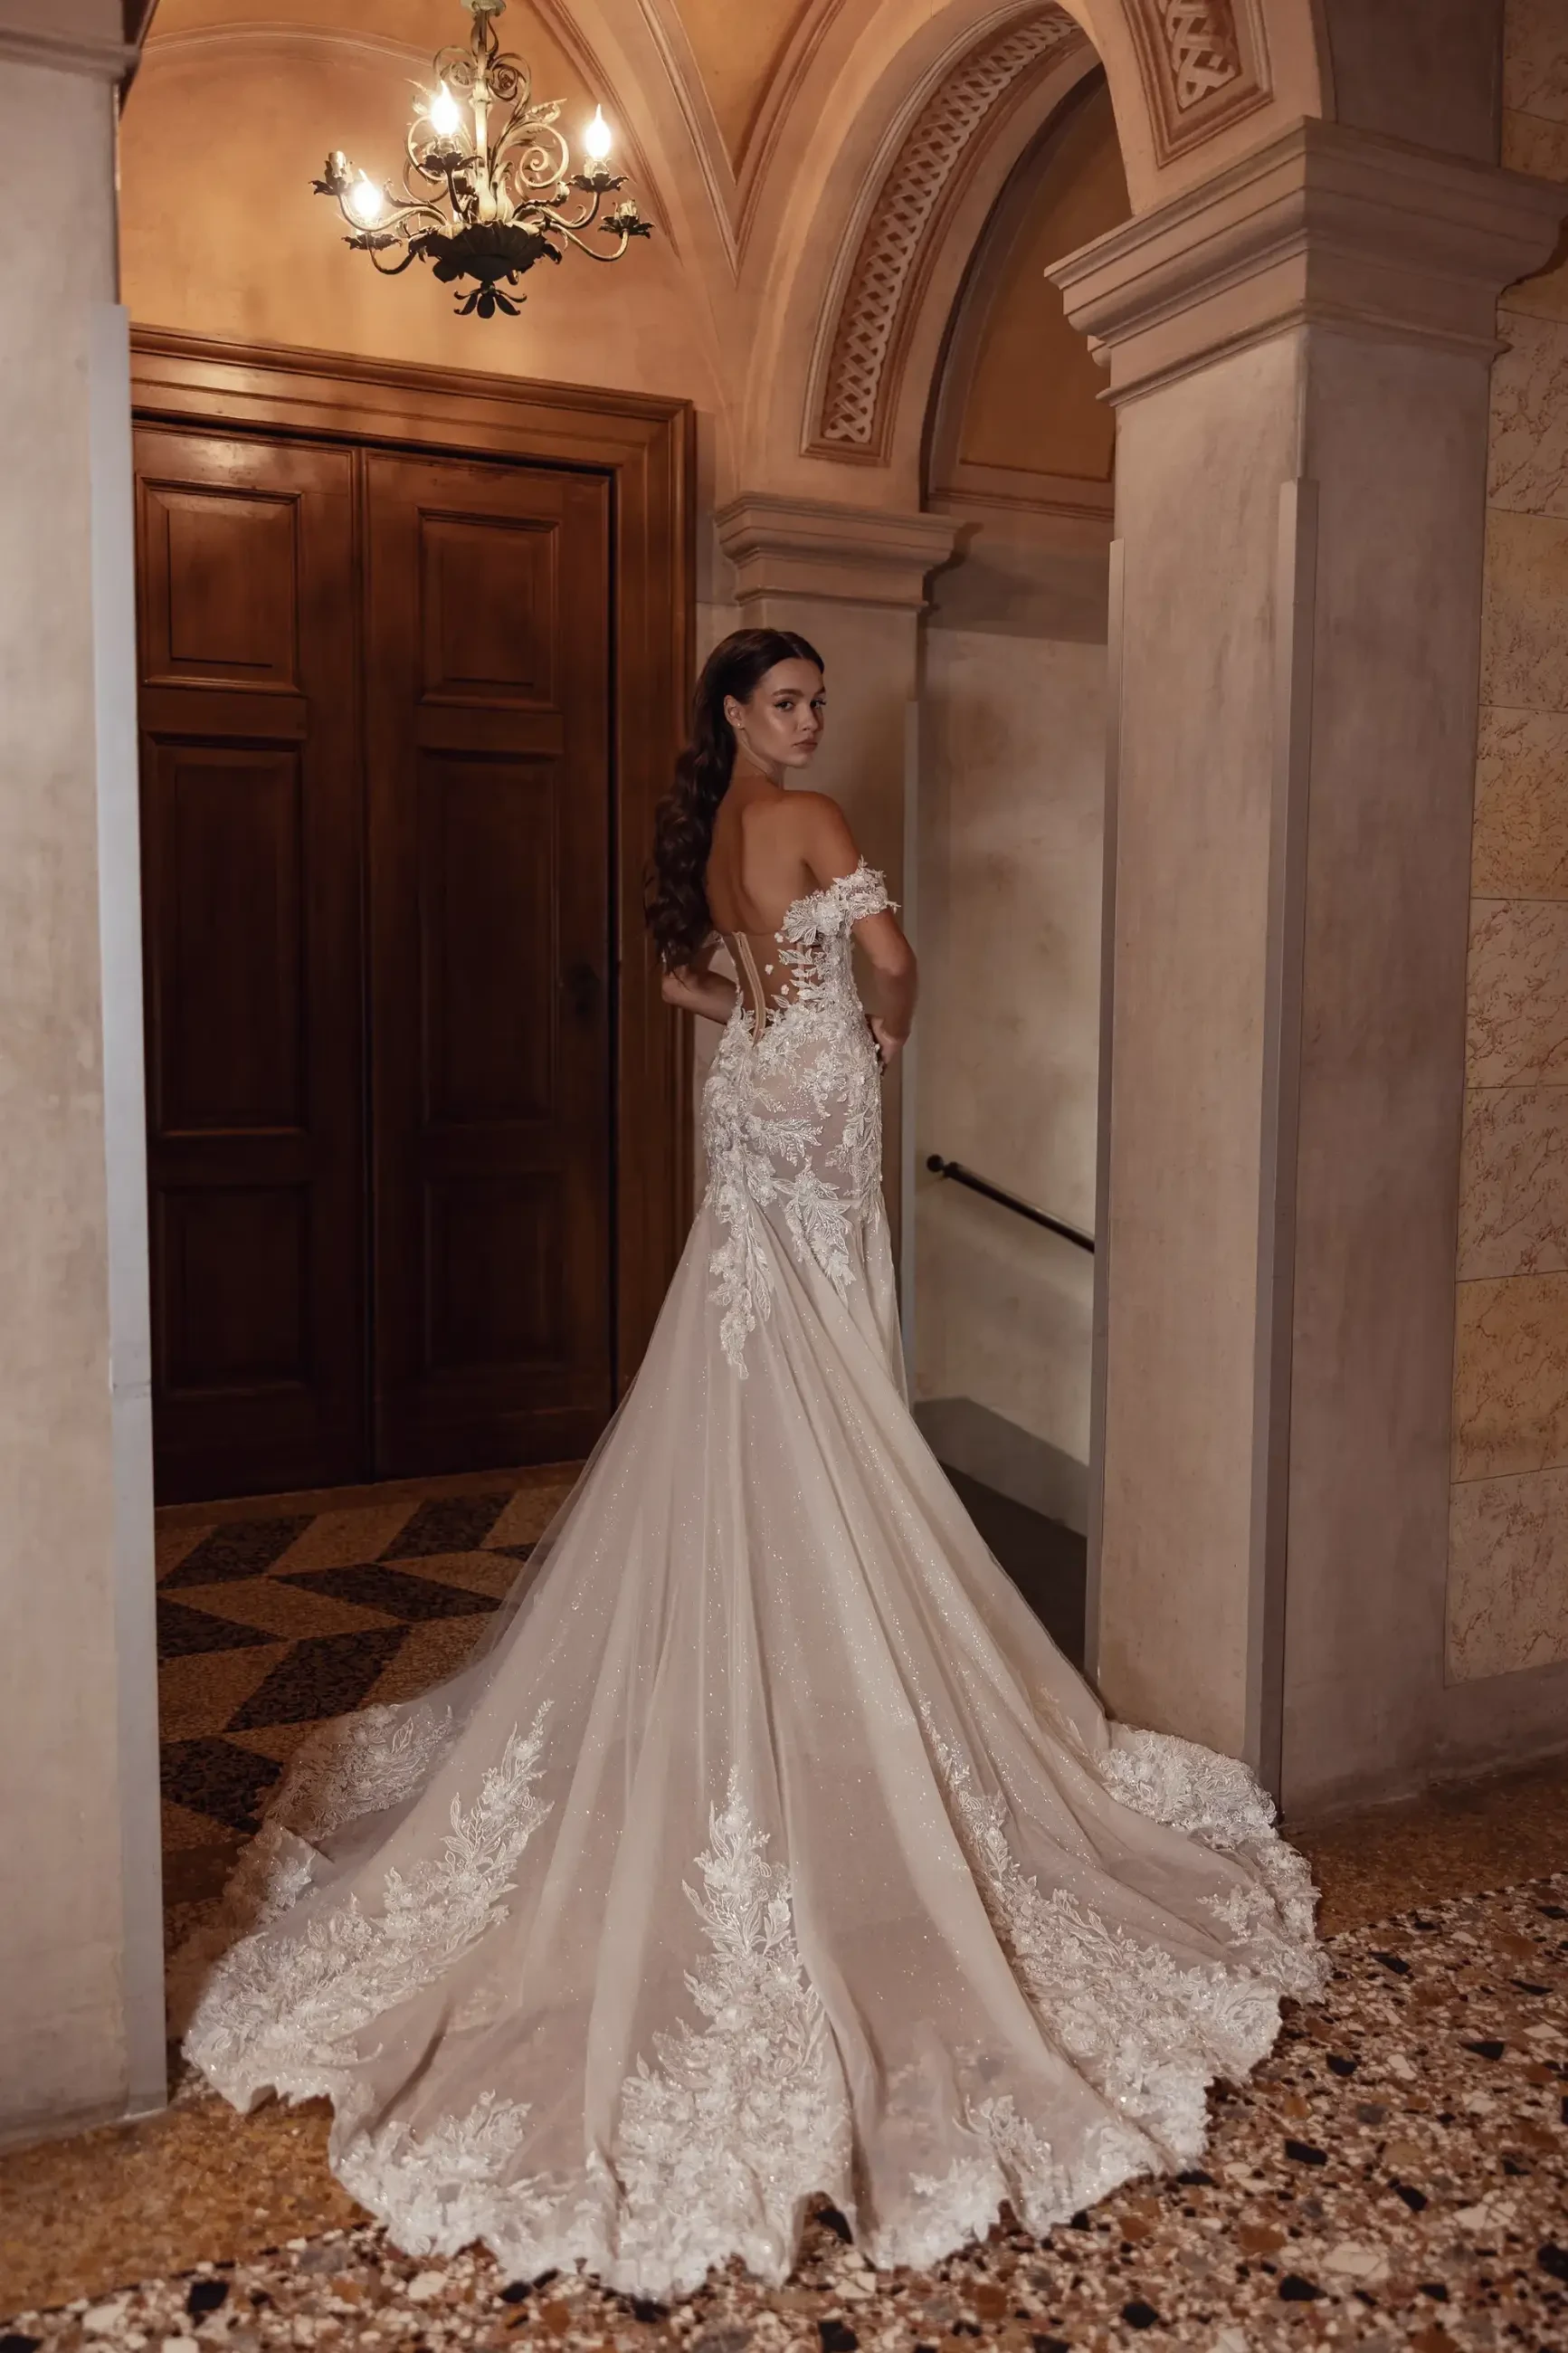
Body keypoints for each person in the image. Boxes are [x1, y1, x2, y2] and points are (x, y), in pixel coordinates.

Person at [179, 628, 1323, 2303]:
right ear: (737, 710)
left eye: (814, 706)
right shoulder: (812, 812)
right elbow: (900, 962)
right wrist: (884, 1037)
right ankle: (820, 1648)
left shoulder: (714, 825)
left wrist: (755, 1010)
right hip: (813, 1108)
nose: (808, 721)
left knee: (743, 1379)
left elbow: (678, 986)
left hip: (745, 1109)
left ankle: (773, 1639)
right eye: (786, 701)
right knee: (827, 1373)